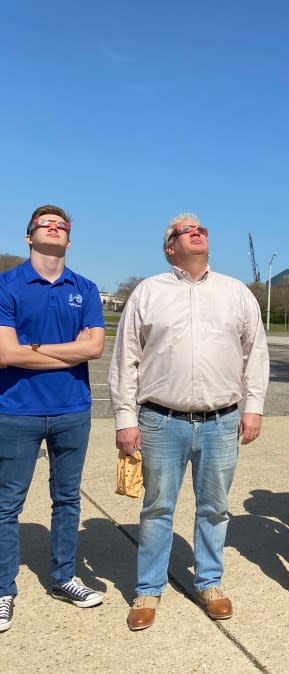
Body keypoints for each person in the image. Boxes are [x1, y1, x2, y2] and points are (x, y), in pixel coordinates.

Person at [109, 213, 269, 631]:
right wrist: (125, 418)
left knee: (215, 507)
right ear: (169, 247)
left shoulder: (236, 292)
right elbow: (126, 359)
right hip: (161, 421)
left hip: (221, 421)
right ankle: (148, 589)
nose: (197, 232)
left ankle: (210, 582)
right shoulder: (148, 292)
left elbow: (256, 355)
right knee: (157, 507)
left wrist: (253, 408)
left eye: (202, 228)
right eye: (185, 230)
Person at [0, 205, 106, 633]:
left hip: (72, 411)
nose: (55, 228)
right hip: (15, 411)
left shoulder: (85, 287)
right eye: (46, 224)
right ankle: (4, 588)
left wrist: (33, 351)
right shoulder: (7, 285)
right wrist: (66, 349)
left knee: (67, 500)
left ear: (69, 240)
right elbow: (4, 354)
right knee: (8, 504)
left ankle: (64, 576)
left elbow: (94, 349)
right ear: (29, 237)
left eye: (62, 226)